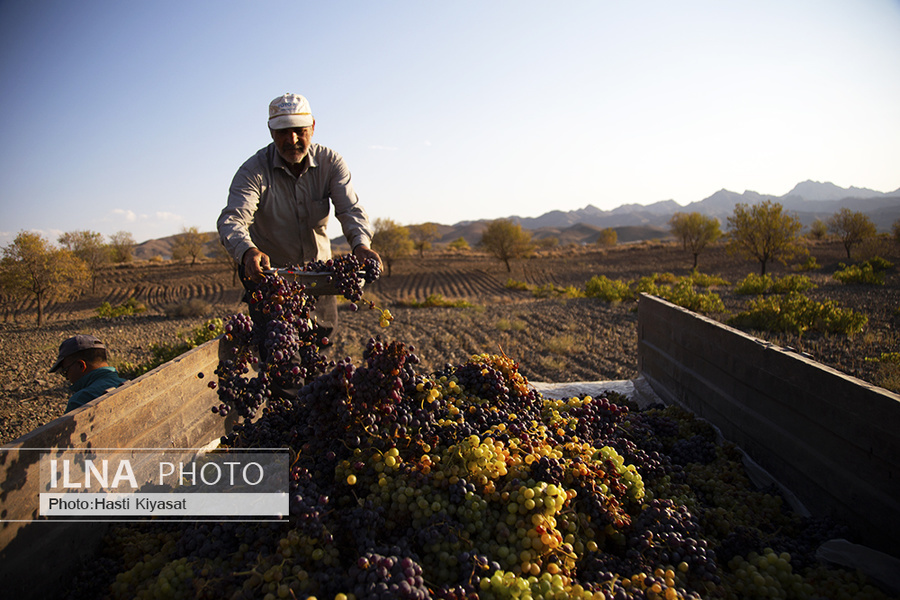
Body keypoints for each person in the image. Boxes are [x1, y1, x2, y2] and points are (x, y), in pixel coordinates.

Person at [217, 92, 381, 340]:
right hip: (273, 283)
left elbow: (349, 210)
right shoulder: (253, 171)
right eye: (283, 132)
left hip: (319, 280)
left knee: (319, 351)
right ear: (271, 132)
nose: (291, 139)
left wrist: (361, 245)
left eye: (299, 130)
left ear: (312, 127)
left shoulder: (330, 163)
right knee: (279, 358)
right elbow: (232, 220)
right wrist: (248, 251)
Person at [49, 334, 127, 413]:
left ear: (81, 366)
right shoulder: (127, 384)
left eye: (65, 372)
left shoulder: (80, 401)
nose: (67, 378)